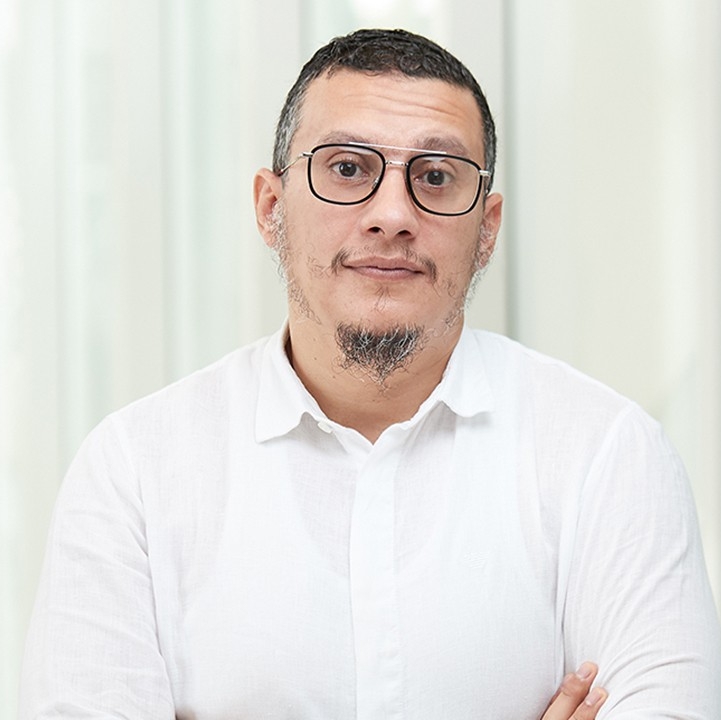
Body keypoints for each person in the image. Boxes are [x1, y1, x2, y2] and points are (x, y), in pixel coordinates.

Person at [19, 28, 720, 720]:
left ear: (486, 229)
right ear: (270, 208)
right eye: (348, 169)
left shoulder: (607, 455)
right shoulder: (134, 471)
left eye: (436, 177)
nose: (391, 215)